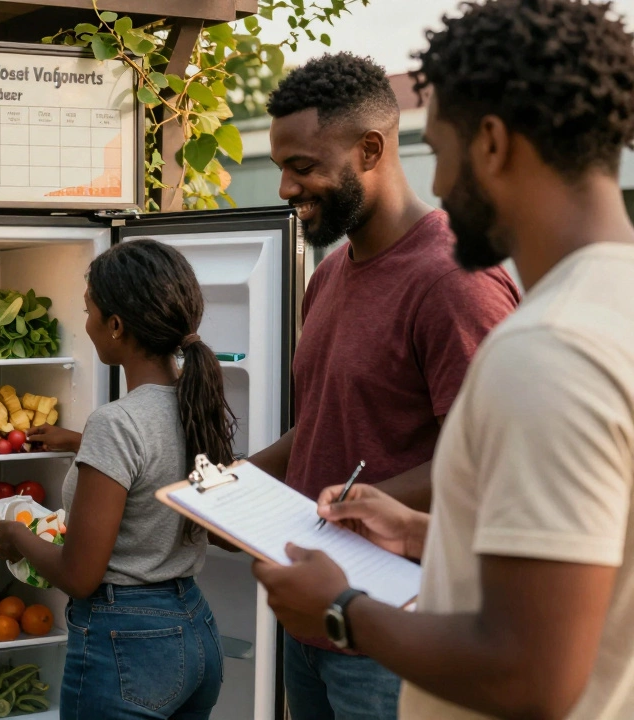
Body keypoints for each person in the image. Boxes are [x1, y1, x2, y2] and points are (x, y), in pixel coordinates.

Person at [253, 1, 634, 718]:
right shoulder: (612, 307)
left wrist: (342, 611)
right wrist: (420, 528)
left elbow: (530, 675)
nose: (443, 183)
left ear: (489, 142)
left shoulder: (546, 350)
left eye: (441, 146)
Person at [247, 51, 521, 720]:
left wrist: (339, 514)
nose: (284, 187)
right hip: (312, 629)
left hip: (396, 631)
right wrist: (235, 488)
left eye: (302, 166)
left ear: (371, 149)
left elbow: (487, 459)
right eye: (281, 166)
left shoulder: (455, 281)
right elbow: (322, 422)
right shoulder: (330, 274)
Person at [0, 239, 231, 719]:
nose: (86, 324)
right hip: (195, 630)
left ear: (116, 326)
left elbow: (80, 576)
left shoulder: (116, 422)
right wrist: (79, 442)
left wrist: (17, 535)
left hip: (127, 639)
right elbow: (158, 458)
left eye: (89, 311)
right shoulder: (191, 401)